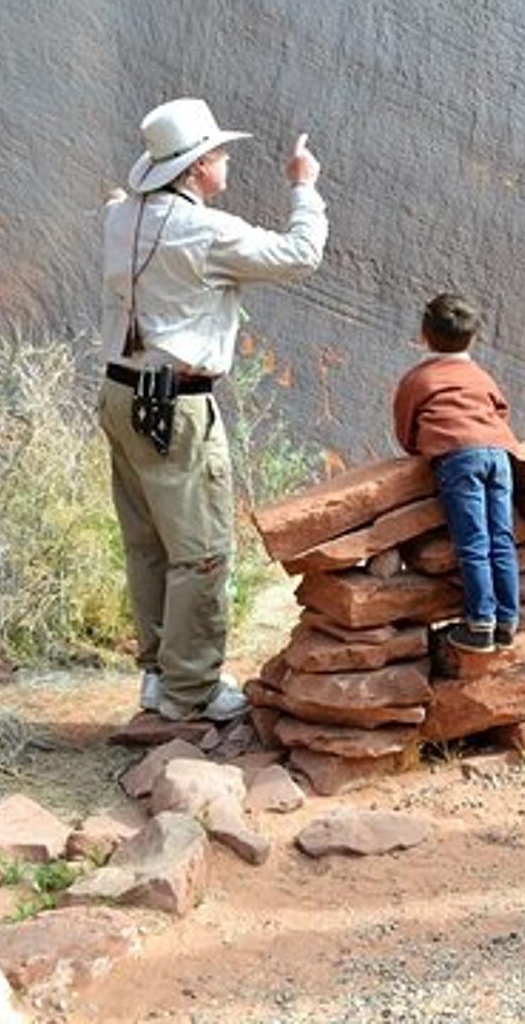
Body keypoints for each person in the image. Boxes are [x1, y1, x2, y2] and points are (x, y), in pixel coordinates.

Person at [99, 97, 325, 723]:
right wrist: (304, 188)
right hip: (175, 407)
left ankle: (156, 676)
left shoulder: (122, 218)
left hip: (121, 392)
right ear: (197, 168)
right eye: (219, 154)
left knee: (146, 543)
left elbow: (118, 204)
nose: (225, 161)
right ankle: (192, 691)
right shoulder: (206, 231)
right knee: (199, 549)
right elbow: (300, 255)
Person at [393, 292, 522, 652]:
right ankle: (508, 620)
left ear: (424, 333)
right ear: (474, 337)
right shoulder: (481, 376)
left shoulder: (419, 379)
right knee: (501, 539)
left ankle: (480, 623)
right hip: (498, 455)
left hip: (458, 458)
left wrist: (423, 448)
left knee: (473, 542)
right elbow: (501, 410)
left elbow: (406, 429)